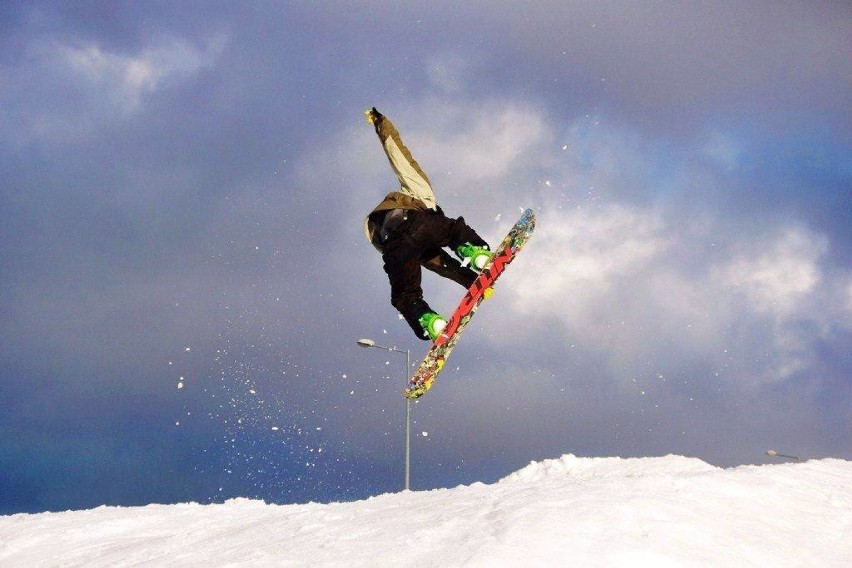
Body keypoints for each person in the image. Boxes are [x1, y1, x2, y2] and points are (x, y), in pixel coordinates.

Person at [363, 107, 492, 341]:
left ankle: (430, 322)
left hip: (392, 249)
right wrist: (381, 124)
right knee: (453, 231)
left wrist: (473, 283)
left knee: (405, 296)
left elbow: (436, 261)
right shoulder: (416, 193)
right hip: (416, 219)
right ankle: (473, 252)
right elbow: (400, 156)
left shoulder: (377, 233)